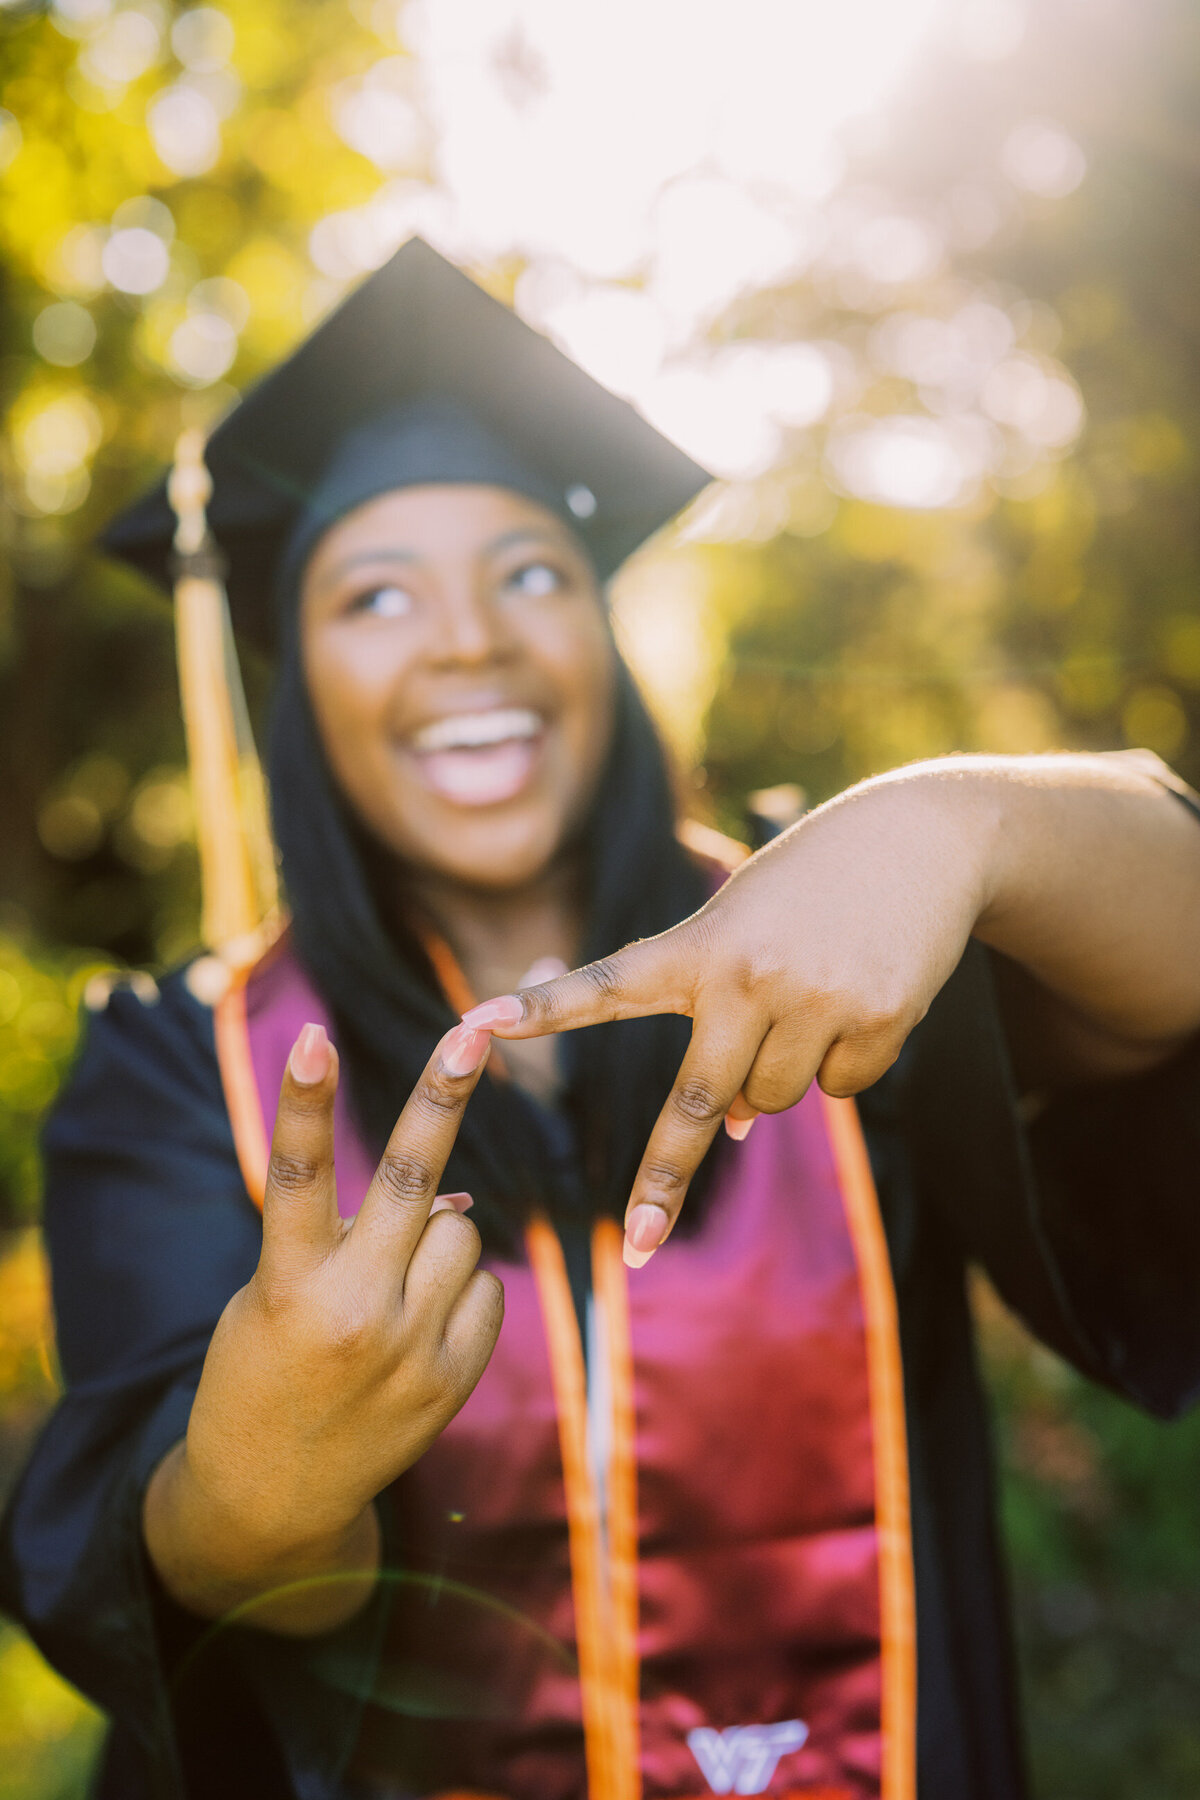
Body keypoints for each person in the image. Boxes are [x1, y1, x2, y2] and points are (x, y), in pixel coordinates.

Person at [2, 237, 1200, 1800]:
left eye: (528, 574)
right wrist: (253, 1485)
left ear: (604, 639)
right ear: (296, 678)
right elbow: (210, 1584)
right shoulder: (190, 1066)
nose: (467, 638)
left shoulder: (832, 945)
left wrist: (978, 828)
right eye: (375, 593)